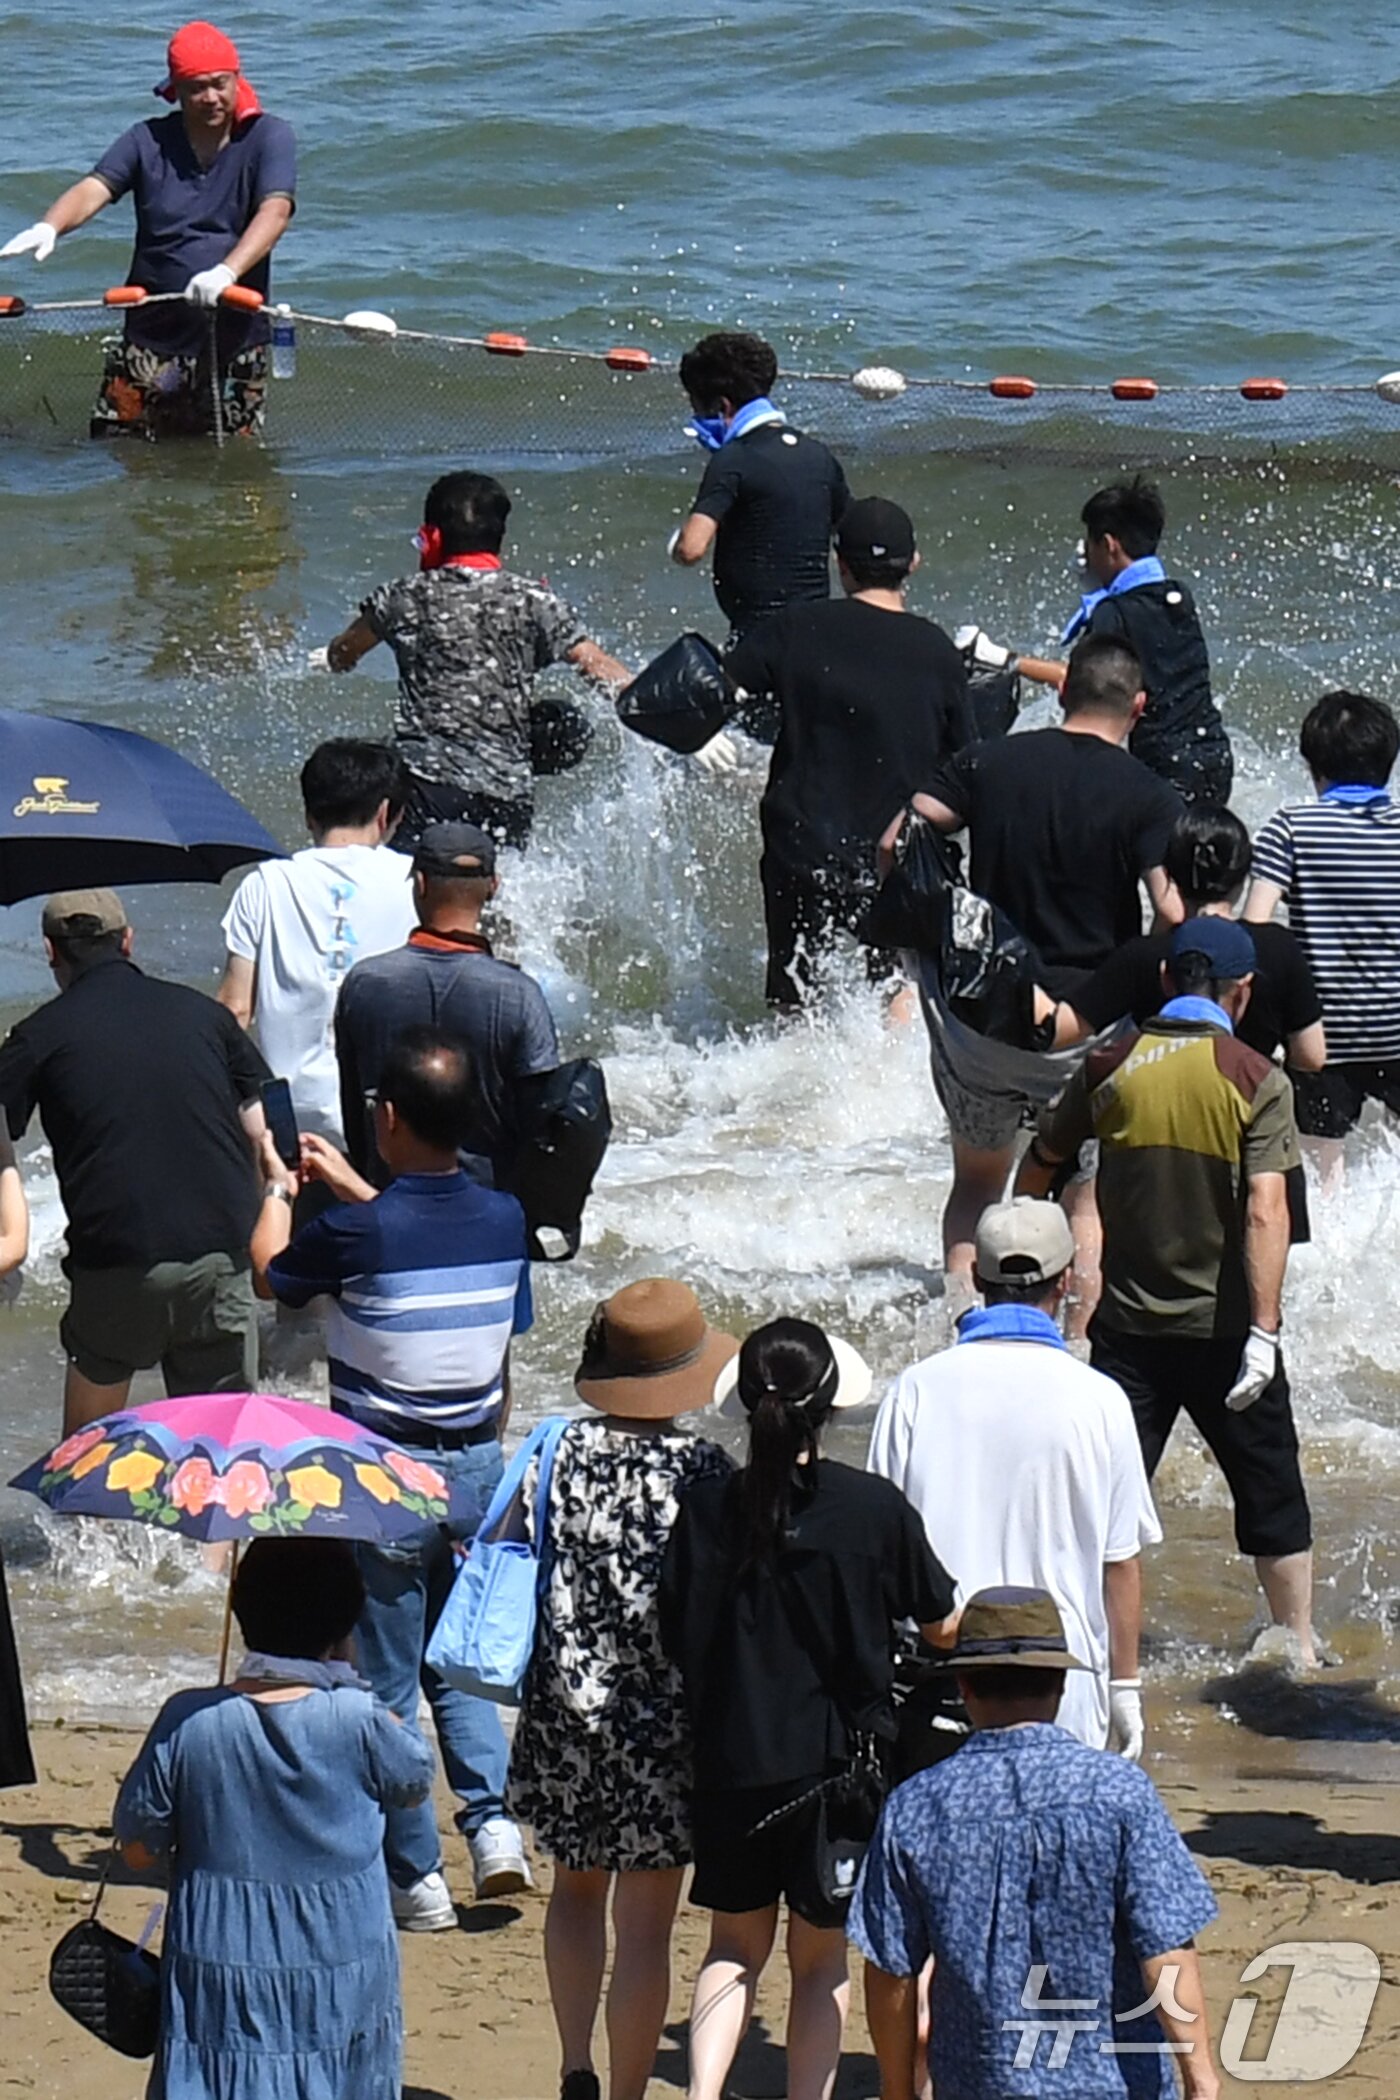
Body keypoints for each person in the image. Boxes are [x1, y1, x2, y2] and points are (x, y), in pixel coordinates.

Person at [254, 1026, 535, 1921]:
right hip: (478, 1471)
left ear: (388, 1118)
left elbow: (271, 1277)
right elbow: (421, 1242)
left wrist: (273, 1183)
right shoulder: (502, 1216)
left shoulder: (352, 1230)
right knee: (457, 1666)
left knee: (385, 1679)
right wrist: (351, 1187)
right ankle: (493, 1830)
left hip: (382, 1476)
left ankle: (417, 1875)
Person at [659, 1319, 957, 2100]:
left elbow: (673, 1632)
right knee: (819, 1961)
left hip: (729, 1758)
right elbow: (939, 1620)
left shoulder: (704, 1508)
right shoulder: (871, 1508)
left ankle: (700, 2095)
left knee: (731, 1948)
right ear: (828, 1410)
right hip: (839, 1770)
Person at [1017, 917, 1321, 1666]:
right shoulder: (1257, 1078)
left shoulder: (1107, 1064)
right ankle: (1300, 1649)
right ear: (1241, 994)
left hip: (1127, 1334)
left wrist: (1029, 1284)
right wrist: (1265, 1333)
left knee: (1100, 1505)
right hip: (1225, 1338)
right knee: (1273, 1496)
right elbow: (1265, 1210)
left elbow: (1042, 1164)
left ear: (1164, 983)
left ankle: (1082, 1650)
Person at [852, 1587, 1221, 2100]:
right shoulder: (1119, 1793)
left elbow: (892, 1970)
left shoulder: (916, 1809)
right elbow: (1165, 1949)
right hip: (1116, 2084)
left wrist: (898, 2088)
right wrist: (1201, 2080)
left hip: (980, 2083)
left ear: (964, 1685)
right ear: (1061, 1684)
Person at [892, 632, 1183, 1281]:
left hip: (986, 1022)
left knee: (975, 1185)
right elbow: (1170, 911)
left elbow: (899, 837)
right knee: (1085, 1195)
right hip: (1089, 1028)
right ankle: (1076, 1338)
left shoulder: (987, 763)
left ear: (1061, 690)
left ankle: (966, 1318)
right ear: (1137, 707)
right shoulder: (1150, 795)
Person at [509, 1280, 736, 2100]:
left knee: (575, 1889)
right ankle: (630, 2091)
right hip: (665, 1722)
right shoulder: (707, 1469)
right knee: (646, 1926)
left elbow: (509, 1551)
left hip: (563, 1709)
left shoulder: (553, 1451)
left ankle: (576, 2064)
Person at [114, 1537, 434, 2100]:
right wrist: (353, 1680)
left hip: (221, 1957)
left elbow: (138, 1847)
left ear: (241, 1613)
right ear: (345, 1626)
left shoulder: (191, 1718)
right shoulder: (359, 1718)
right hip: (341, 1960)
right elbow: (412, 1780)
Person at [870, 1198, 1160, 1756]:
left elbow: (882, 1554)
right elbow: (1119, 1562)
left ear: (975, 1276)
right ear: (1068, 1280)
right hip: (1063, 1680)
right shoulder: (1101, 1399)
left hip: (943, 1685)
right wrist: (1125, 1687)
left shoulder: (915, 1390)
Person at [0, 890, 268, 1434]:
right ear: (127, 941)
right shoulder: (208, 1018)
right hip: (220, 1254)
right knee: (217, 1457)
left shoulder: (37, 1038)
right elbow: (268, 1118)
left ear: (52, 953)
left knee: (84, 1461)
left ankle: (86, 1519)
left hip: (117, 1265)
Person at [722, 496, 974, 1006]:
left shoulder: (796, 627)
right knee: (896, 986)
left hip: (802, 846)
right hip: (892, 852)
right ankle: (886, 1084)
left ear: (840, 565)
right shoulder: (938, 652)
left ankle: (793, 1083)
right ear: (914, 564)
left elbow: (717, 688)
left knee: (795, 993)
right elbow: (967, 766)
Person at [0, 21, 296, 441]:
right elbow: (94, 187)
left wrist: (226, 273)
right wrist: (49, 225)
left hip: (236, 342)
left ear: (236, 79)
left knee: (233, 472)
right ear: (176, 89)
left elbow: (276, 211)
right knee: (121, 454)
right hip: (151, 339)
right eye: (196, 87)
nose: (210, 97)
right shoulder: (147, 139)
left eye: (220, 84)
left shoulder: (269, 136)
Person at [317, 470, 631, 849]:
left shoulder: (402, 597)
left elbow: (345, 652)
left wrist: (333, 656)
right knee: (488, 895)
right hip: (506, 794)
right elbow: (596, 666)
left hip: (427, 789)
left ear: (432, 537)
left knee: (415, 897)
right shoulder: (535, 601)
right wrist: (671, 718)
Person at [963, 474, 1232, 805]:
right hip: (1215, 757)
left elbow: (1077, 681)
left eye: (1089, 544)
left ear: (1109, 545)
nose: (1085, 553)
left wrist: (1008, 661)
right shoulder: (1179, 596)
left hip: (1167, 768)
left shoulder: (1112, 612)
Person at [334, 821, 559, 1187]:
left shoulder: (365, 983)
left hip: (387, 1203)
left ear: (420, 884)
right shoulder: (519, 994)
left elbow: (355, 1114)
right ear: (493, 887)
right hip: (488, 1210)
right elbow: (541, 1125)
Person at [218, 738, 415, 1146]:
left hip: (291, 1117)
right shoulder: (416, 879)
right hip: (391, 1113)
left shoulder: (266, 883)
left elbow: (234, 1011)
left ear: (309, 814)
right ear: (384, 813)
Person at [1244, 690, 1400, 1168]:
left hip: (1321, 1039)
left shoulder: (1291, 828)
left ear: (1314, 768)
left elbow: (1257, 929)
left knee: (1323, 1177)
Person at [1056, 803, 1326, 1072]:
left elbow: (1064, 1030)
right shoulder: (1280, 948)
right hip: (1244, 1100)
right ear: (1243, 876)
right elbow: (1311, 1056)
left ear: (1170, 875)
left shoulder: (1140, 956)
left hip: (1163, 1103)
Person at [671, 331, 849, 668]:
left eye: (697, 408)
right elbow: (854, 538)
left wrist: (676, 545)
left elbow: (691, 549)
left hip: (759, 638)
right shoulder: (819, 456)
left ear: (723, 406)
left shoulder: (733, 459)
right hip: (817, 635)